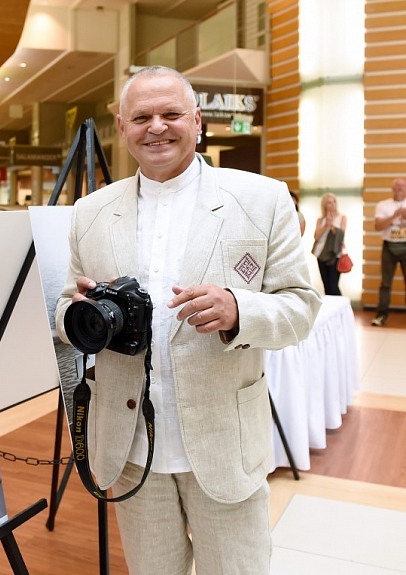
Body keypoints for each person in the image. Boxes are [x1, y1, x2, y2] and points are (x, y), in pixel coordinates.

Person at [55, 66, 320, 575]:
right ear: (122, 125)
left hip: (224, 445)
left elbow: (301, 306)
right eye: (142, 117)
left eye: (171, 114)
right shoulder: (89, 212)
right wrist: (79, 315)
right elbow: (67, 305)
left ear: (197, 121)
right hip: (132, 447)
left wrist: (239, 310)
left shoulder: (262, 200)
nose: (157, 127)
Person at [372, 177, 406, 326]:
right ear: (392, 188)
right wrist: (393, 216)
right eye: (397, 185)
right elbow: (378, 226)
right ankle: (381, 315)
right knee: (385, 283)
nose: (399, 188)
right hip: (389, 246)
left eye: (402, 185)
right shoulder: (383, 205)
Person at [312, 193, 347, 295]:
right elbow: (316, 237)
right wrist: (326, 225)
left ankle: (342, 308)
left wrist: (332, 226)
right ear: (324, 205)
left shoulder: (342, 217)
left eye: (334, 201)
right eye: (329, 202)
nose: (333, 204)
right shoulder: (320, 219)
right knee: (326, 286)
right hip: (320, 254)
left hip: (334, 254)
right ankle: (332, 309)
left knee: (333, 286)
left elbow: (341, 235)